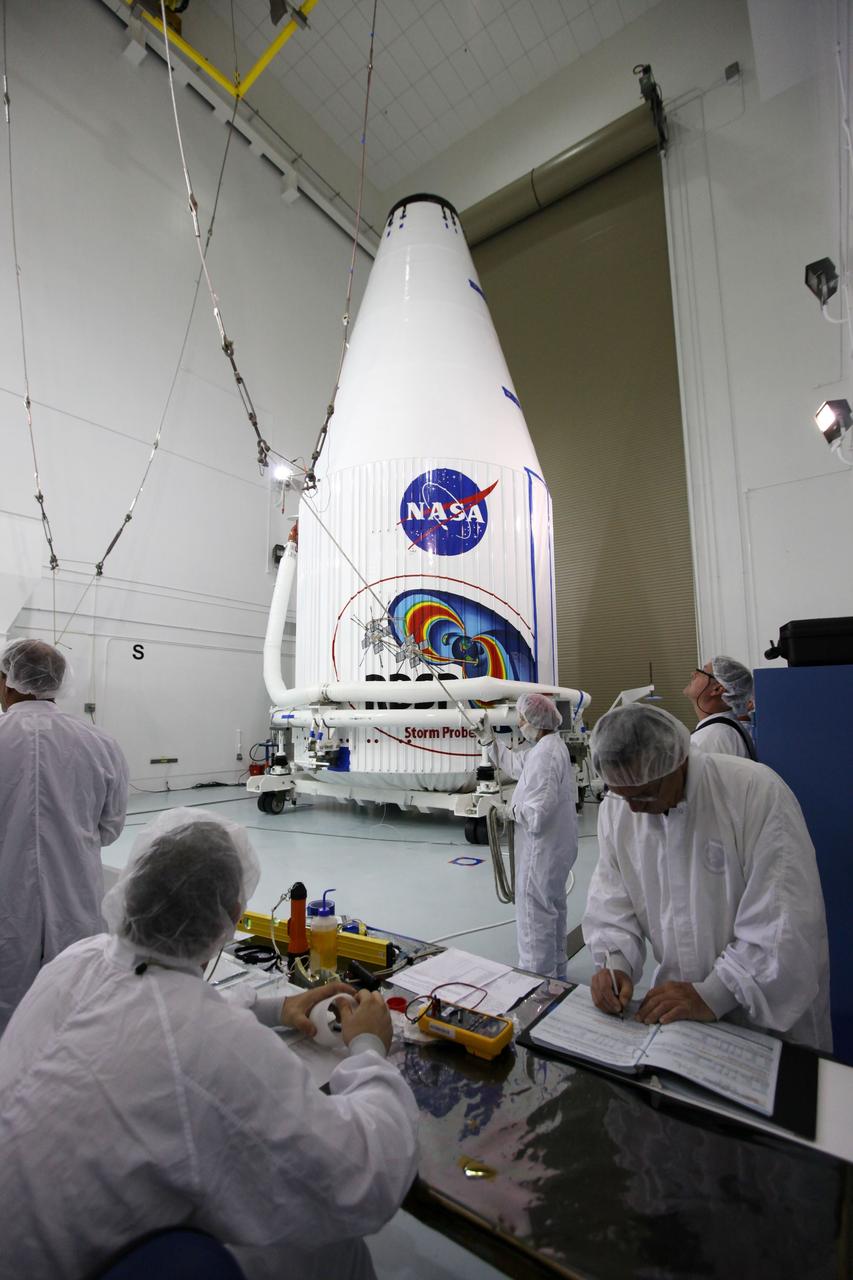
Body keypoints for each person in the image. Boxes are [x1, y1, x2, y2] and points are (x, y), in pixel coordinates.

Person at [0, 808, 418, 1280]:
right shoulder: (204, 1042)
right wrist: (367, 1046)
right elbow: (361, 1176)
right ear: (231, 920)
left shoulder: (78, 959)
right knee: (333, 1249)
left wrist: (276, 1008)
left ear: (133, 889)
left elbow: (159, 1006)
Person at [582, 704, 831, 1050]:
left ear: (677, 761)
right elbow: (612, 897)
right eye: (623, 796)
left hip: (762, 1021)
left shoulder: (754, 793)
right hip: (677, 1018)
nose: (635, 808)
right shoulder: (621, 808)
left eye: (644, 794)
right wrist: (615, 963)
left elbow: (782, 924)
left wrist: (713, 994)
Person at [0, 637, 129, 1032]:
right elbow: (110, 828)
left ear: (8, 681)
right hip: (77, 904)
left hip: (8, 907)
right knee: (75, 1005)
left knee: (11, 1010)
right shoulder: (100, 743)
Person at [489, 692, 578, 980]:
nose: (519, 722)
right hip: (555, 848)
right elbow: (518, 765)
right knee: (552, 911)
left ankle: (536, 981)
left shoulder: (546, 755)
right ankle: (555, 975)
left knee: (534, 917)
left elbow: (537, 814)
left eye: (523, 718)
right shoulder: (548, 747)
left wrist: (509, 810)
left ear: (537, 721)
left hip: (541, 850)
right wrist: (488, 741)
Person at [683, 654, 756, 758]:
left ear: (717, 689)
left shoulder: (709, 739)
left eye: (702, 672)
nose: (693, 674)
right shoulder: (725, 730)